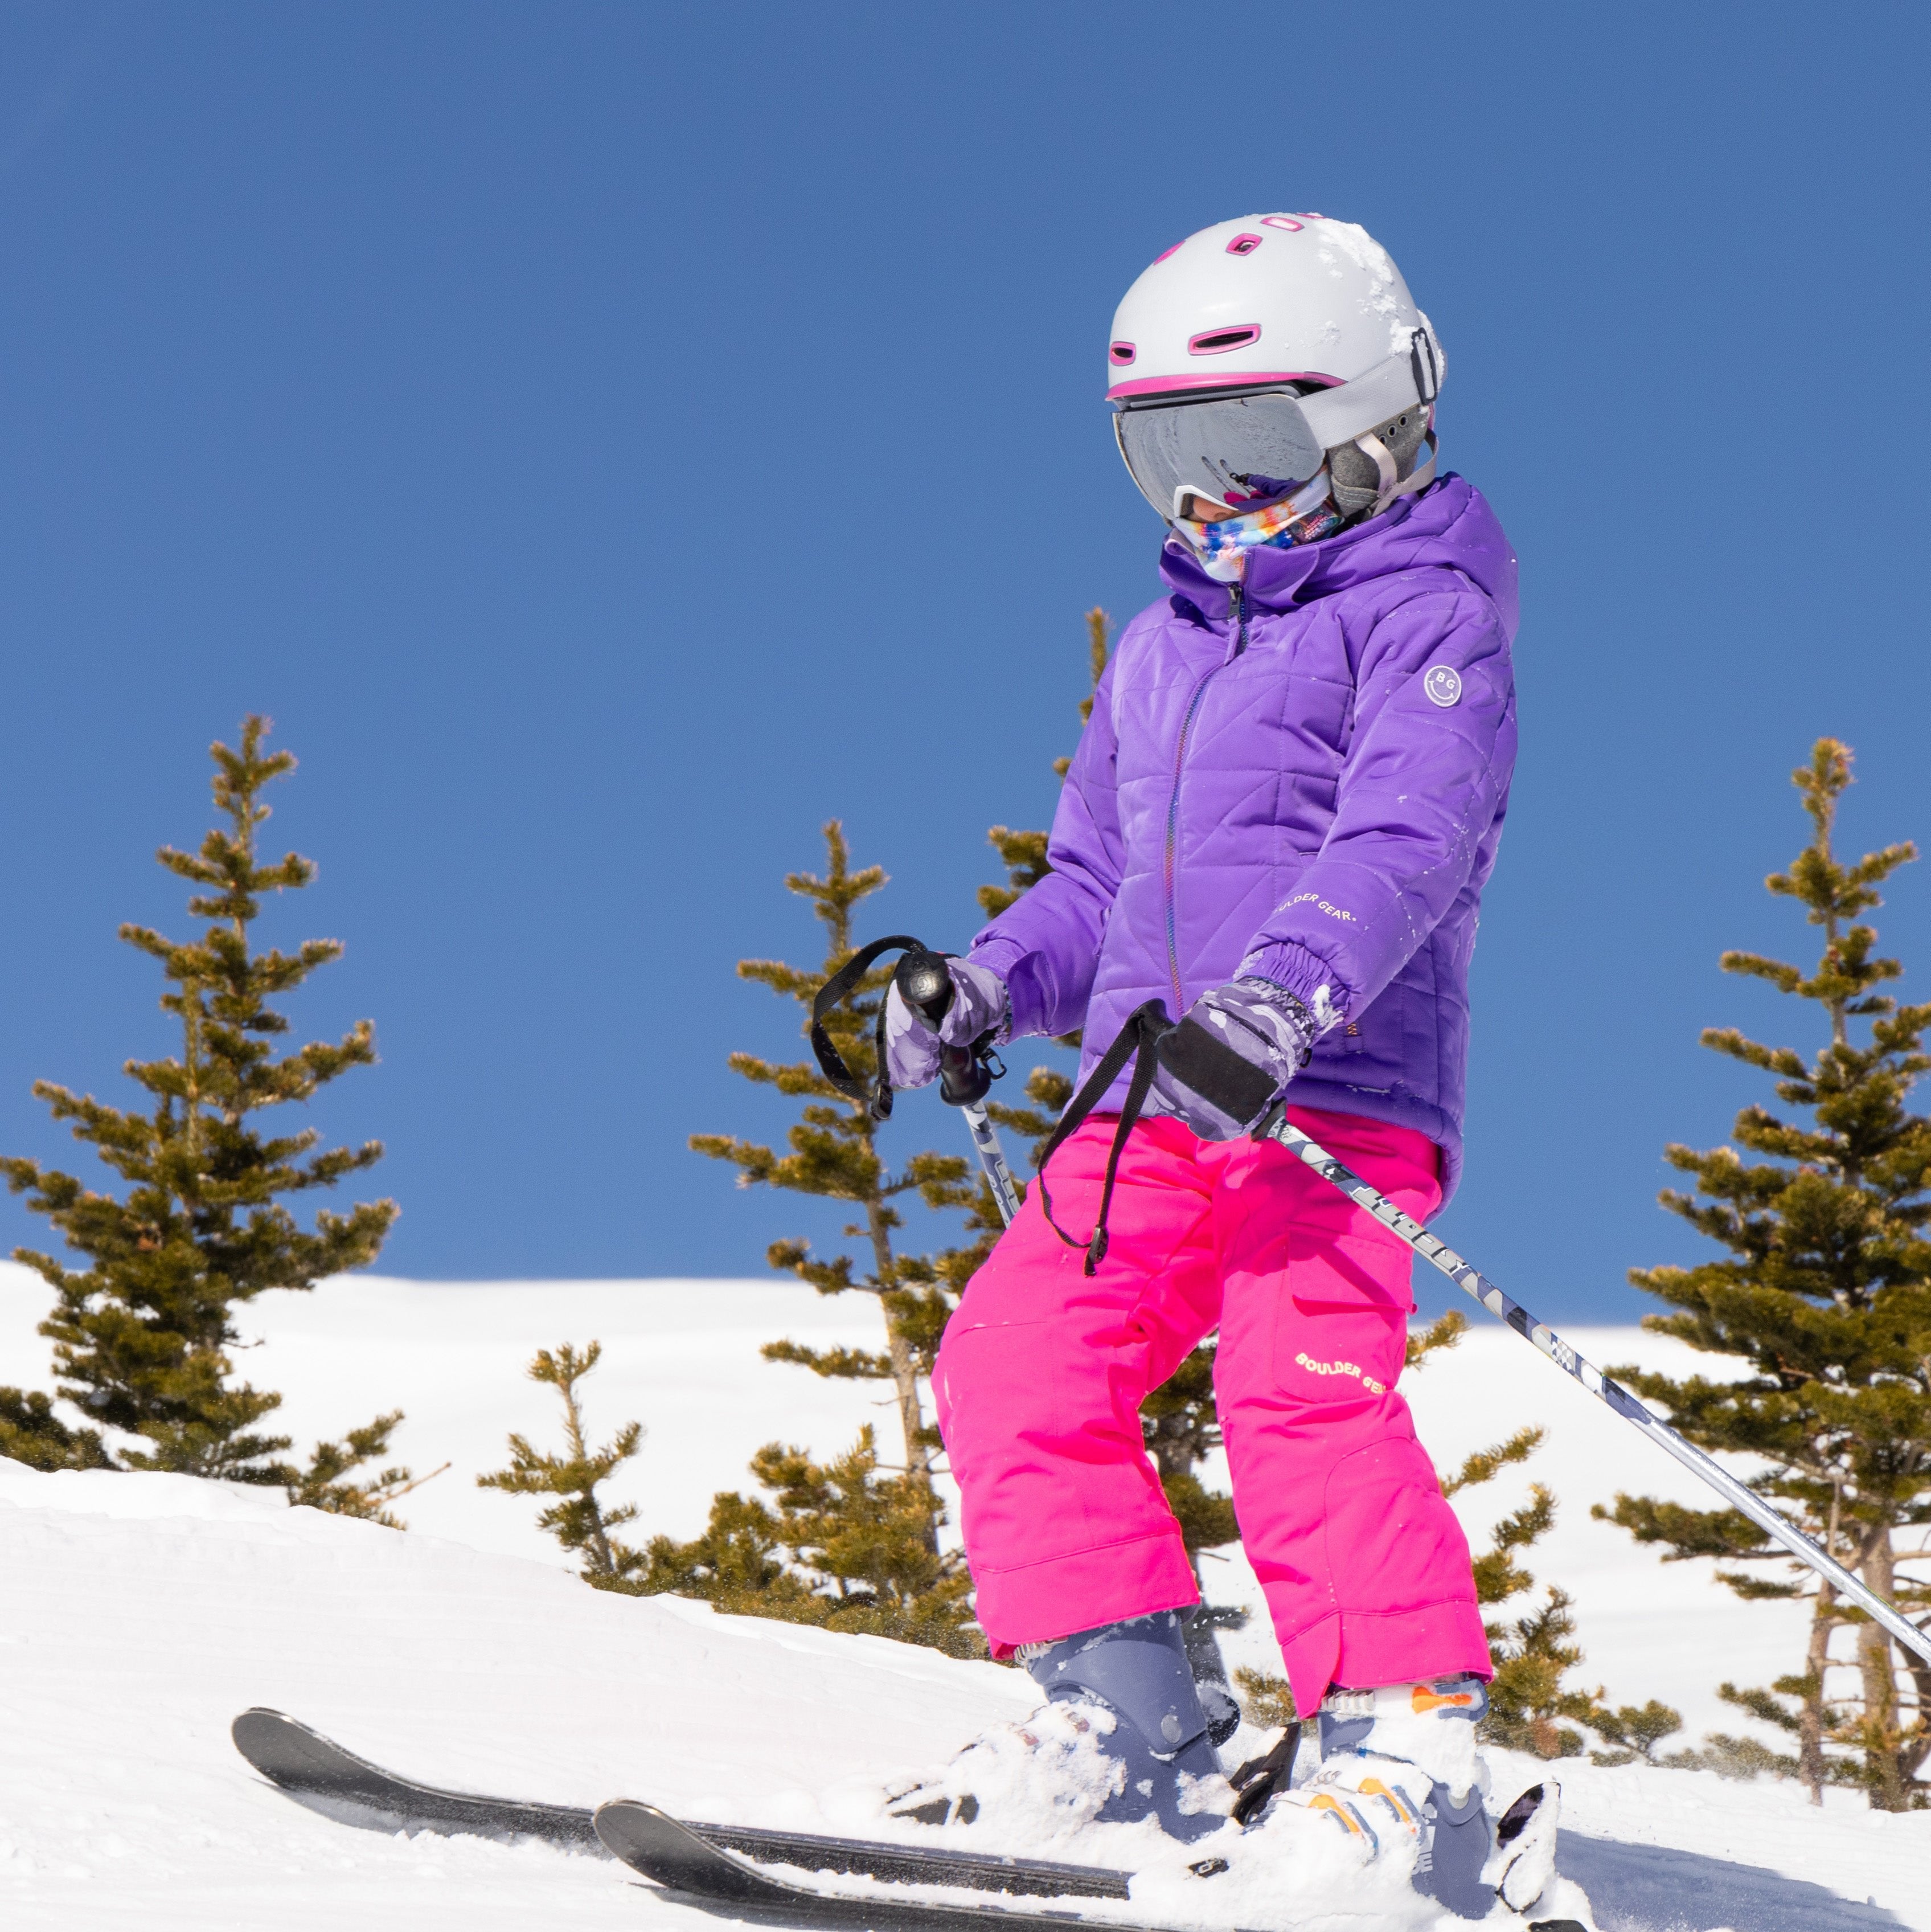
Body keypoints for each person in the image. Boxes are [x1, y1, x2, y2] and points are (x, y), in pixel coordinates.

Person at [882, 215, 1563, 1922]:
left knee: (1299, 1395)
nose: (1208, 498)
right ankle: (1128, 1717)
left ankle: (1405, 1762)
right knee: (1014, 1361)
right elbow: (1093, 885)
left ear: (1371, 421)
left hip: (1330, 1092)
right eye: (1165, 456)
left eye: (1248, 446)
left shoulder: (1427, 618)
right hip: (1147, 1100)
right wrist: (989, 986)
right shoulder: (1161, 649)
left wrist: (1284, 997)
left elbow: (1409, 837)